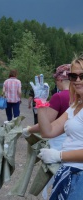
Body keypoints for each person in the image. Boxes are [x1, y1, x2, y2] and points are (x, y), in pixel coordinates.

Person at [26, 54, 83, 200]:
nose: (77, 80)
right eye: (73, 76)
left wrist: (59, 155)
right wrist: (41, 104)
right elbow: (48, 131)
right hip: (68, 172)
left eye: (82, 76)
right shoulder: (75, 106)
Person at [22, 64, 71, 199]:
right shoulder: (77, 97)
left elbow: (45, 125)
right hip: (75, 146)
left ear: (60, 80)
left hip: (59, 144)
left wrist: (28, 130)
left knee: (60, 182)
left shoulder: (59, 97)